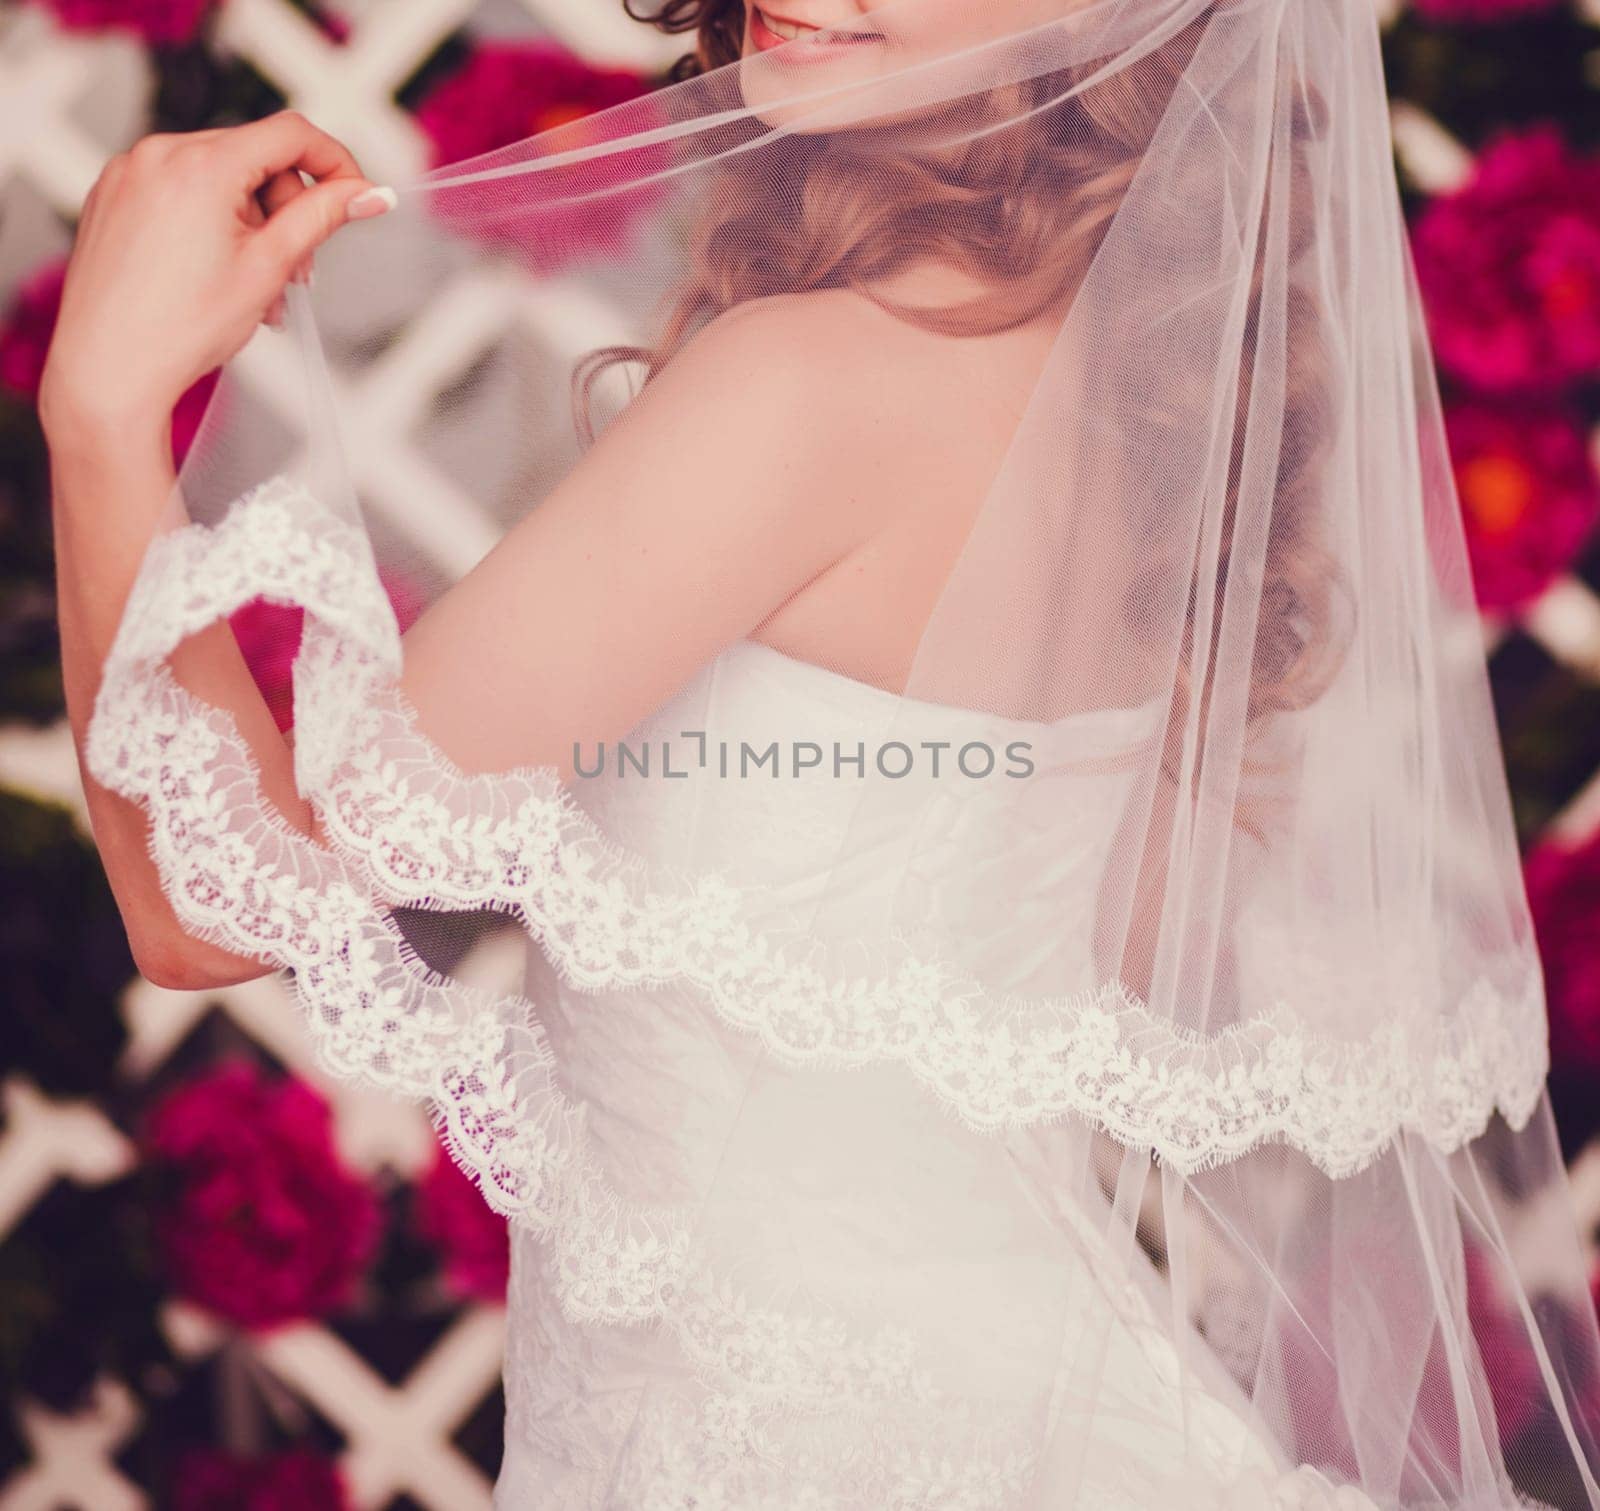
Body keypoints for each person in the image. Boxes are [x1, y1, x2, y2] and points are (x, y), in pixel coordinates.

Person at [41, 0, 1600, 1504]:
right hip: (1000, 1391)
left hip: (790, 1435)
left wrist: (104, 410)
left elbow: (214, 908)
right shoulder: (1130, 392)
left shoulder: (814, 389)